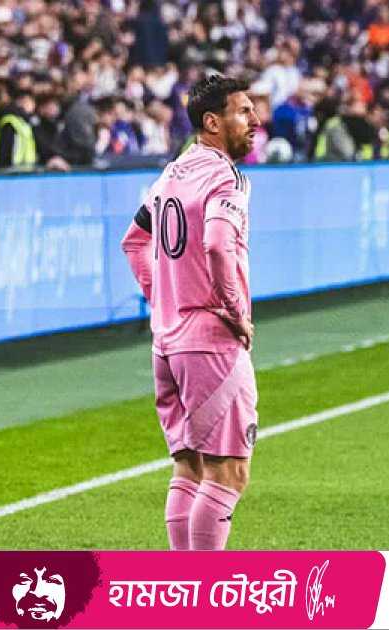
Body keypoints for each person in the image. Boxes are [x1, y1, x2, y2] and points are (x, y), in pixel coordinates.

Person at [120, 74, 260, 551]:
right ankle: (202, 588)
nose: (255, 121)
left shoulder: (172, 174)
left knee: (190, 466)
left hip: (167, 341)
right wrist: (235, 311)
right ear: (213, 122)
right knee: (227, 472)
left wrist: (163, 298)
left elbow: (134, 242)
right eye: (244, 112)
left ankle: (183, 582)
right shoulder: (226, 177)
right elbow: (218, 244)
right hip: (209, 342)